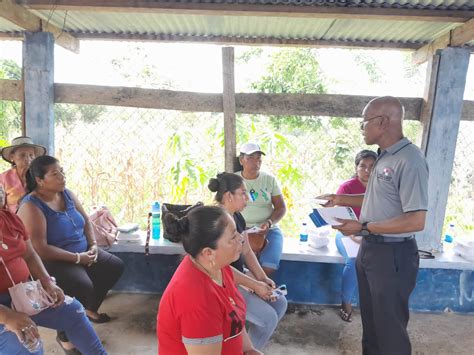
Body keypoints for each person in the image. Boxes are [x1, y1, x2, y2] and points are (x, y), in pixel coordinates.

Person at [318, 96, 429, 355]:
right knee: (371, 326)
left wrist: (363, 227)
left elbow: (416, 220)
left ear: (381, 122)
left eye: (364, 122)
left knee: (390, 331)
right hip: (371, 250)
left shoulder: (409, 160)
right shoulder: (384, 157)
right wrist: (340, 199)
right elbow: (379, 197)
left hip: (392, 255)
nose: (362, 128)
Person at [17, 155, 124, 325]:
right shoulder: (31, 206)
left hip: (83, 251)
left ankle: (89, 309)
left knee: (114, 266)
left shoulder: (66, 194)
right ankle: (65, 336)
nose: (62, 176)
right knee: (82, 286)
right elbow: (40, 249)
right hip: (54, 259)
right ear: (40, 180)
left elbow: (86, 220)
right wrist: (77, 258)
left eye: (62, 171)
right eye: (55, 174)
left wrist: (93, 245)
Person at [0, 185, 107, 355]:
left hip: (22, 292)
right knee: (28, 344)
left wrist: (46, 281)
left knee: (73, 311)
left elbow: (29, 255)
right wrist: (7, 317)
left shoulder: (9, 218)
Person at [157, 205, 261, 355]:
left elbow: (234, 318)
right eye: (233, 237)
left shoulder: (215, 266)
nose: (241, 239)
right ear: (208, 253)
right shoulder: (197, 299)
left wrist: (249, 349)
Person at [208, 172, 287, 350]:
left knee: (280, 302)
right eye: (243, 193)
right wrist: (252, 284)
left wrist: (261, 278)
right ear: (228, 196)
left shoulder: (237, 217)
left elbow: (246, 250)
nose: (247, 199)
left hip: (236, 277)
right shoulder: (217, 224)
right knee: (268, 318)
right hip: (221, 284)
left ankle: (248, 347)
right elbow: (221, 269)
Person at [334, 149, 377, 322]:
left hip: (372, 233)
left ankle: (377, 304)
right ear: (356, 167)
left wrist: (367, 233)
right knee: (354, 260)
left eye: (372, 166)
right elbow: (337, 218)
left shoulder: (382, 188)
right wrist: (354, 235)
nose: (367, 171)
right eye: (362, 166)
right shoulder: (347, 187)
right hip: (346, 234)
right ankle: (346, 302)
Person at [235, 142, 287, 275]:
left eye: (258, 158)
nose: (256, 162)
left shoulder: (269, 180)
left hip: (268, 229)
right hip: (240, 229)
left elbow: (281, 208)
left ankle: (256, 290)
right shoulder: (233, 180)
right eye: (251, 158)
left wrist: (269, 223)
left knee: (269, 266)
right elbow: (224, 208)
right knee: (237, 264)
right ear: (241, 160)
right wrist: (240, 230)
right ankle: (254, 290)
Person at [0, 136, 46, 213]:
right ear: (12, 157)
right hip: (13, 222)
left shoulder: (41, 176)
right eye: (22, 155)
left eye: (31, 155)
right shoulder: (3, 178)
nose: (28, 159)